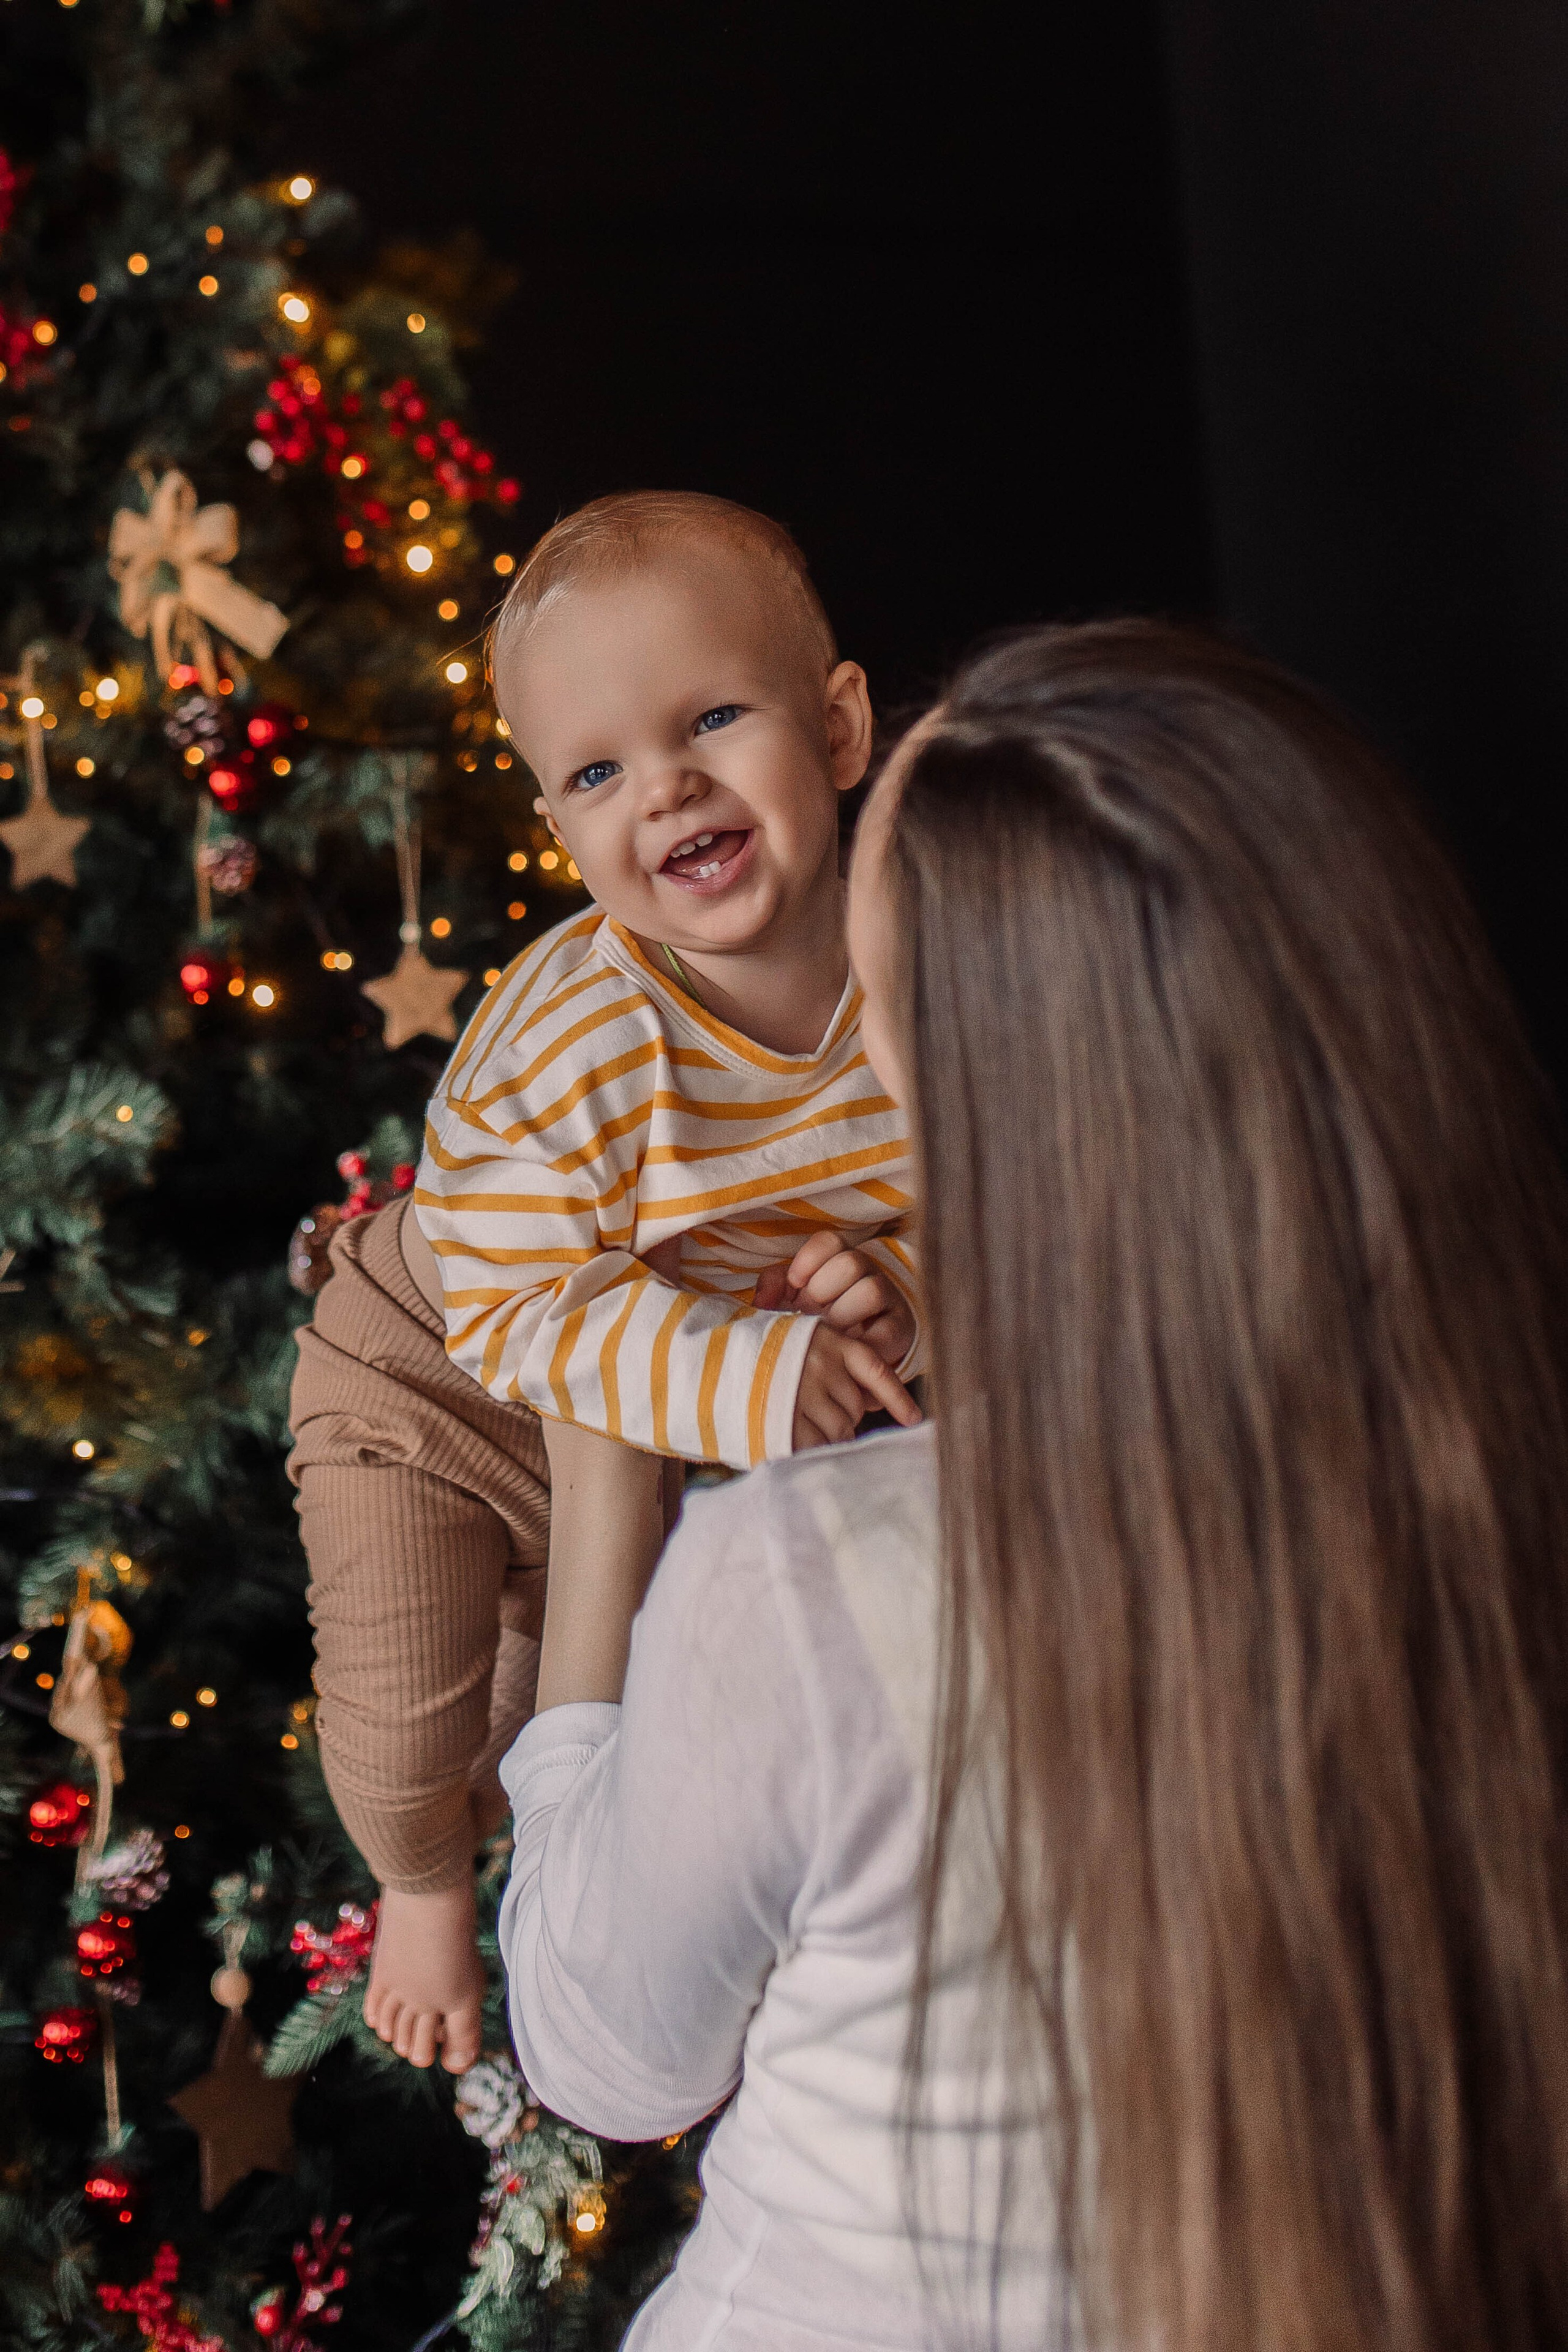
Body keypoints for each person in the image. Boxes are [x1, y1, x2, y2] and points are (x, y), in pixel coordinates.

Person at [497, 621, 1568, 2351]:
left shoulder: (814, 1574)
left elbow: (610, 2056)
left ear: (973, 1083)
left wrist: (601, 1468)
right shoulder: (1497, 1489)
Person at [293, 492, 922, 2078]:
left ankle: (504, 1822)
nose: (669, 787)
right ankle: (423, 1881)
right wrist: (752, 1368)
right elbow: (515, 1315)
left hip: (658, 1424)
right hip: (429, 1377)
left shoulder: (926, 962)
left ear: (839, 727)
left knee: (557, 1700)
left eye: (714, 716)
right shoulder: (572, 1038)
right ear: (558, 828)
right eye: (597, 771)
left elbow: (991, 1195)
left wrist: (901, 1285)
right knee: (404, 1703)